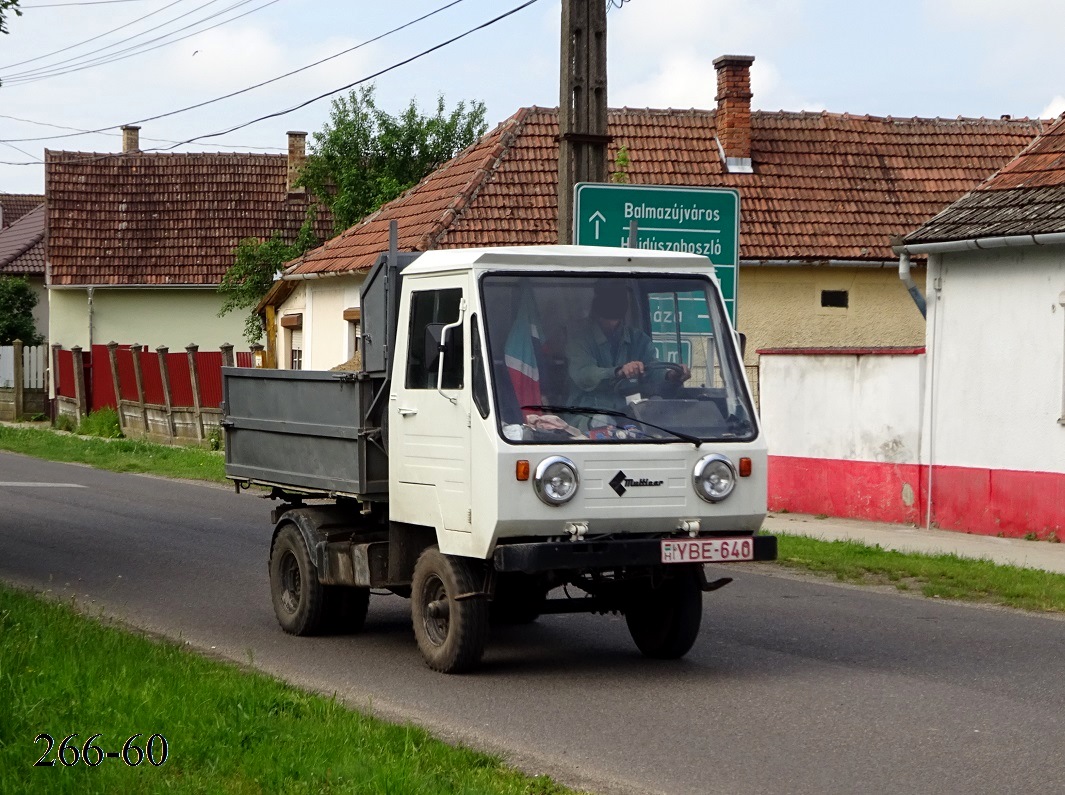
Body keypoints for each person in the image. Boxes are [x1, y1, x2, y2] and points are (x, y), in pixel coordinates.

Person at [565, 281, 689, 413]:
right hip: (587, 413)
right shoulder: (580, 340)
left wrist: (671, 375)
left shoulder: (639, 339)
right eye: (609, 299)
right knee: (602, 421)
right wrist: (618, 372)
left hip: (628, 413)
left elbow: (652, 369)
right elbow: (584, 375)